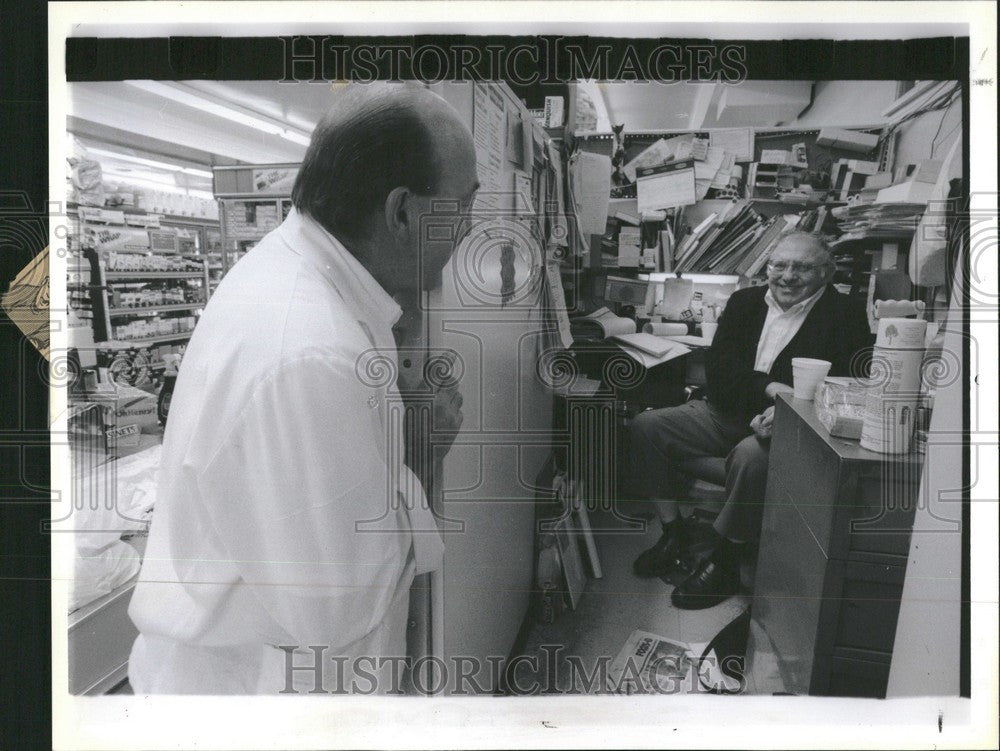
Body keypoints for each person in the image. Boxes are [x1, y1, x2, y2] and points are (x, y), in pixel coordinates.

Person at [127, 83, 480, 693]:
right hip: (262, 703)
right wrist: (418, 453)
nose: (469, 231)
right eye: (463, 208)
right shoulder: (312, 350)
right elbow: (339, 604)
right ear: (402, 213)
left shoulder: (310, 285)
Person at [629, 232, 873, 609]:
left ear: (826, 272)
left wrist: (793, 409)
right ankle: (674, 533)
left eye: (803, 267)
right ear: (768, 267)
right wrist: (773, 389)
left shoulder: (845, 316)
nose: (788, 276)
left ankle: (725, 558)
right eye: (780, 265)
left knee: (750, 458)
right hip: (722, 413)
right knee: (647, 426)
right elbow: (721, 371)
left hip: (789, 427)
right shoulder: (743, 302)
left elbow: (847, 385)